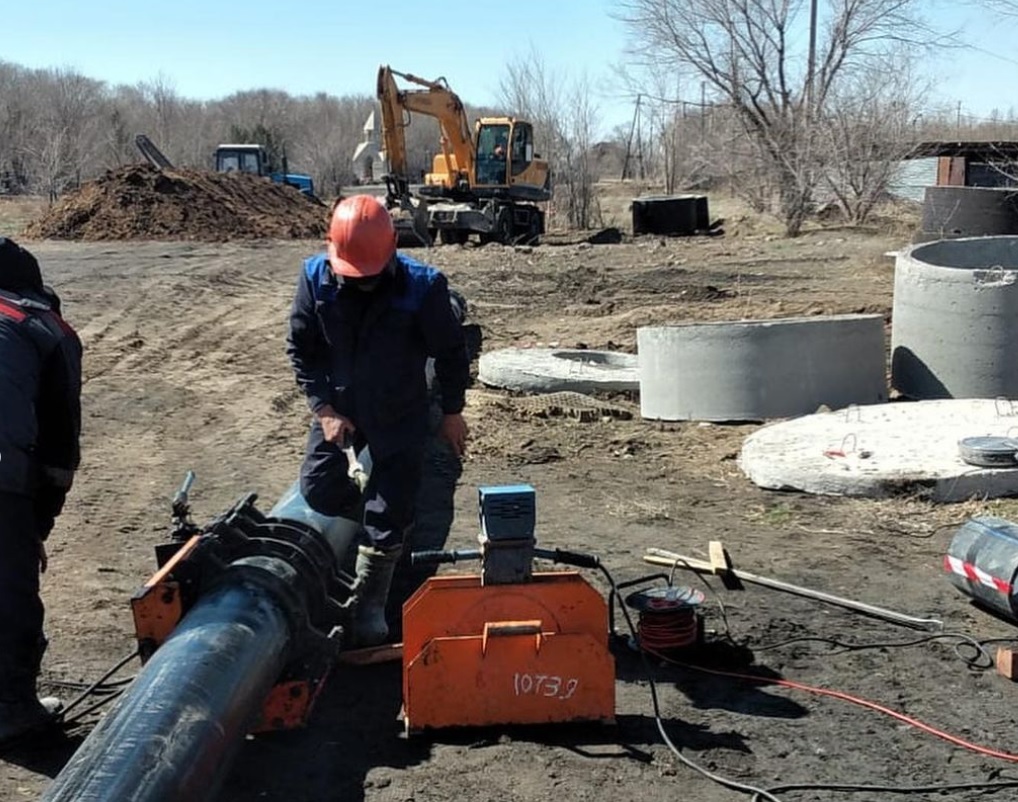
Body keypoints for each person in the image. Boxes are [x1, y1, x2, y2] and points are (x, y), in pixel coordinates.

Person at [286, 194, 470, 646]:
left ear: (391, 253)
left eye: (370, 278)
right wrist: (324, 410)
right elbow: (302, 351)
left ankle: (370, 610)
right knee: (319, 490)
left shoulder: (423, 288)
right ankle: (374, 520)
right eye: (353, 278)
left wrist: (451, 414)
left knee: (391, 513)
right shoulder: (315, 280)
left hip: (401, 409)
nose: (362, 285)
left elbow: (450, 354)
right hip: (344, 407)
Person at [0, 238, 82, 744]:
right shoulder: (46, 329)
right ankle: (12, 710)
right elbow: (58, 452)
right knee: (9, 599)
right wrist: (34, 529)